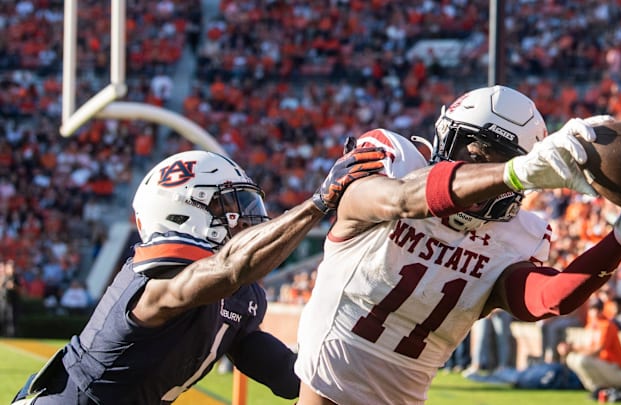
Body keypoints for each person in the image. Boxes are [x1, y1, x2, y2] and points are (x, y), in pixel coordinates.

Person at [293, 85, 621, 405]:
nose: (478, 164)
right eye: (470, 148)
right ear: (443, 138)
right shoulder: (394, 165)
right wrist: (512, 173)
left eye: (495, 158)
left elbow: (544, 299)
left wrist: (620, 239)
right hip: (326, 383)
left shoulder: (518, 234)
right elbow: (401, 198)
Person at [12, 145, 385, 404]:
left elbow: (286, 377)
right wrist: (317, 204)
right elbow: (226, 268)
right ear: (181, 212)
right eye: (229, 204)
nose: (249, 215)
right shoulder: (161, 275)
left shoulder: (241, 294)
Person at [562, 298, 621, 394]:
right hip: (603, 368)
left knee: (582, 360)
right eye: (593, 309)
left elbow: (596, 352)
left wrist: (573, 349)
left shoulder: (607, 325)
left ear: (602, 310)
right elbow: (584, 347)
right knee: (572, 358)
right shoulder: (590, 326)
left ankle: (599, 389)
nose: (595, 312)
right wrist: (570, 348)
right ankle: (597, 389)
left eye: (598, 309)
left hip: (618, 371)